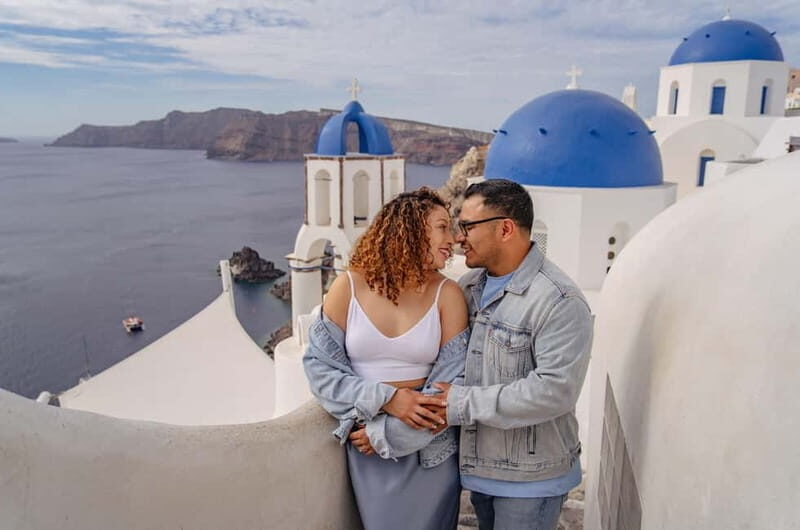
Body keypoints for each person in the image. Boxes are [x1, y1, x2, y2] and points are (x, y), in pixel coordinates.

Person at [303, 187, 469, 530]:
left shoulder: (448, 294)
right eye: (441, 227)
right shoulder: (348, 286)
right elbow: (319, 370)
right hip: (365, 447)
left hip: (429, 451)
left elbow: (453, 385)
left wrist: (388, 434)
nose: (452, 238)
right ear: (410, 228)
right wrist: (388, 400)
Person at [434, 179, 593, 530]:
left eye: (468, 227)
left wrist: (461, 403)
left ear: (505, 228)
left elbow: (555, 391)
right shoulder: (469, 287)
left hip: (530, 482)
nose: (460, 237)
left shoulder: (559, 300)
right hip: (480, 471)